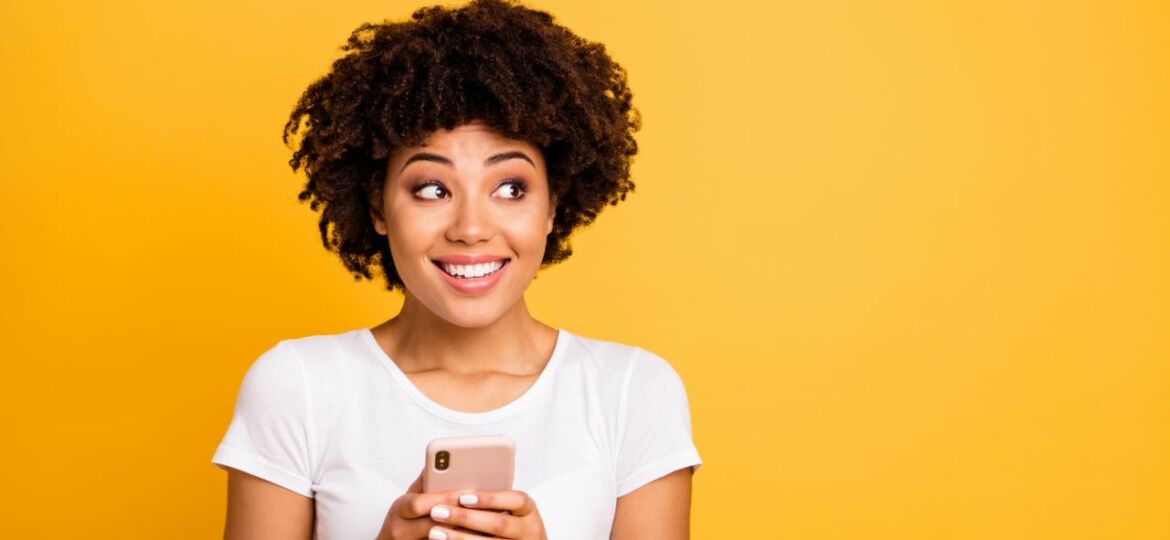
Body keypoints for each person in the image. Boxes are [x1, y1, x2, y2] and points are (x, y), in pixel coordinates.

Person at [210, 1, 702, 538]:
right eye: (432, 189)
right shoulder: (297, 386)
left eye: (510, 188)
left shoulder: (632, 392)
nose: (471, 227)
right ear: (377, 207)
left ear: (553, 206)